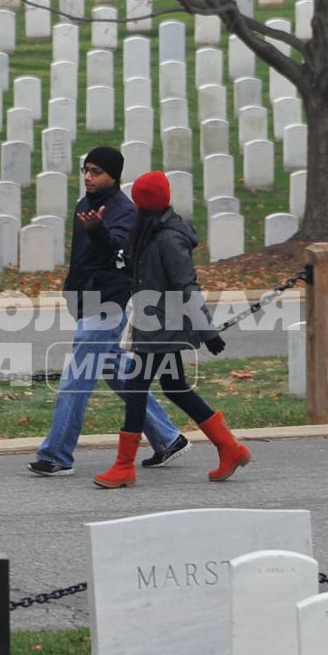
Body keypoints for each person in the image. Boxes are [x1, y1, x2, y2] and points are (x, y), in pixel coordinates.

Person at [27, 145, 187, 476]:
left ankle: (57, 453)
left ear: (113, 176)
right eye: (86, 170)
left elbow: (119, 255)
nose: (88, 176)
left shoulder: (122, 211)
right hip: (86, 300)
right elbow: (82, 258)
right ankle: (168, 437)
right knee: (117, 372)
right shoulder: (84, 205)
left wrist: (98, 233)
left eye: (96, 171)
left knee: (76, 379)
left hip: (107, 304)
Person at [93, 172, 251, 489]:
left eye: (137, 201)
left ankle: (124, 466)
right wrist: (99, 234)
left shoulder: (168, 237)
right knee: (175, 386)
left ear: (145, 204)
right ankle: (229, 447)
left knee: (136, 388)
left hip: (163, 327)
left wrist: (208, 332)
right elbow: (128, 262)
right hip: (152, 323)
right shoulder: (150, 229)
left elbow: (186, 285)